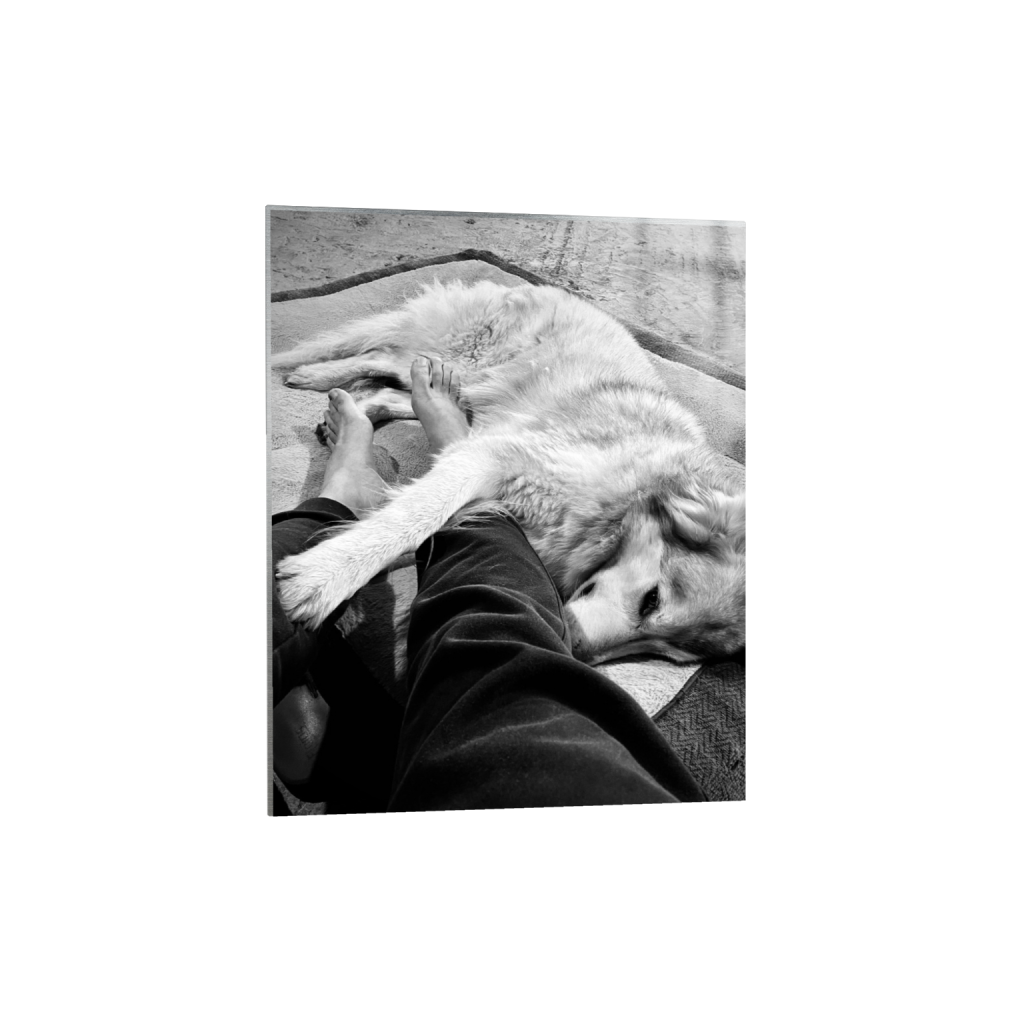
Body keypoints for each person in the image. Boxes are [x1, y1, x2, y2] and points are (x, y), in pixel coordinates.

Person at [271, 358, 705, 814]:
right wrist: (367, 548)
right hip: (555, 360)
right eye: (651, 600)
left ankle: (346, 491)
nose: (582, 649)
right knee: (504, 630)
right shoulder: (669, 500)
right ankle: (448, 448)